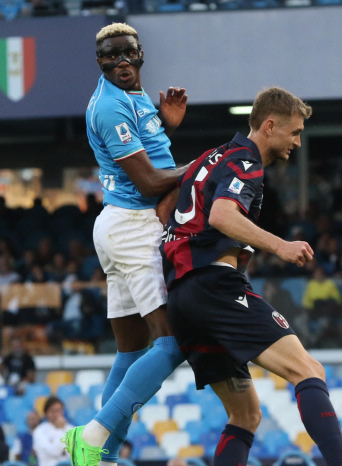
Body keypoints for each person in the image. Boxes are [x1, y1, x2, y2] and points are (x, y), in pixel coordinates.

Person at [162, 88, 342, 465]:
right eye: (294, 132)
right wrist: (281, 246)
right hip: (214, 287)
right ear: (270, 125)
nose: (297, 141)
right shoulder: (246, 162)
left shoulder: (209, 158)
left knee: (246, 414)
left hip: (183, 296)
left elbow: (169, 208)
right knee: (308, 369)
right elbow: (222, 216)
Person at [63, 22, 189, 466]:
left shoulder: (133, 97)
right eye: (110, 56)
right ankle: (93, 435)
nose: (121, 62)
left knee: (131, 351)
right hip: (134, 227)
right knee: (172, 344)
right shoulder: (110, 107)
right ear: (99, 62)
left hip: (121, 225)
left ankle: (101, 455)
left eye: (127, 53)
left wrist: (165, 128)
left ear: (140, 55)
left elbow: (148, 157)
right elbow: (153, 181)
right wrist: (209, 163)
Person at [33, 397, 73, 466]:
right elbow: (55, 451)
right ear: (46, 413)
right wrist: (60, 429)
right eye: (53, 411)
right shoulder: (40, 431)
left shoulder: (71, 428)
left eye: (59, 410)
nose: (56, 415)